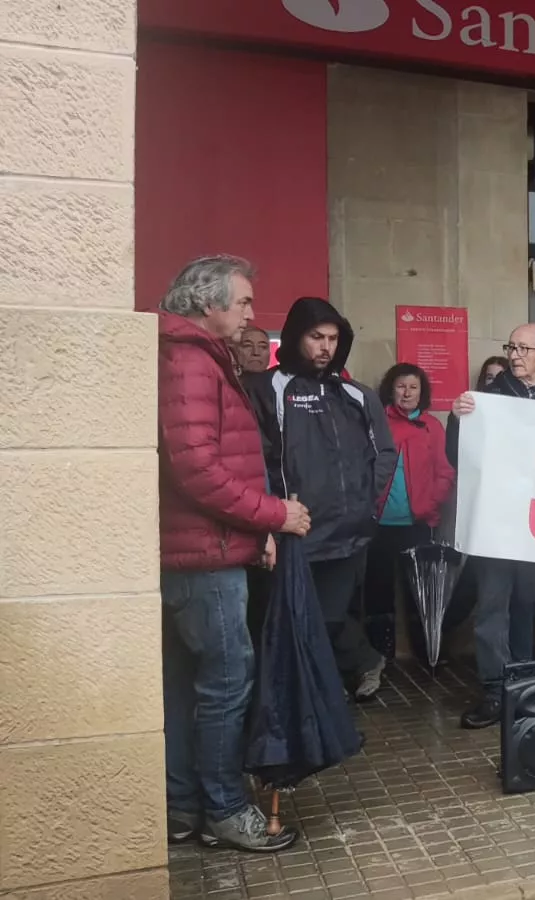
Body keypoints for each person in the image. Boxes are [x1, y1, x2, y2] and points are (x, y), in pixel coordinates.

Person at [157, 255, 311, 852]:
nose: (252, 313)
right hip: (205, 561)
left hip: (201, 550)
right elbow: (198, 469)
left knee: (185, 688)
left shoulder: (190, 356)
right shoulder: (191, 362)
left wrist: (255, 533)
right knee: (225, 684)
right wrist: (274, 514)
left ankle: (181, 807)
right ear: (207, 304)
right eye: (244, 301)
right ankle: (222, 808)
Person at [246, 296, 396, 701]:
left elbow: (385, 453)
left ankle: (342, 679)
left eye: (332, 338)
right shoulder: (264, 389)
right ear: (296, 337)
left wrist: (367, 506)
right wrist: (269, 522)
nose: (325, 347)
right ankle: (318, 696)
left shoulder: (357, 395)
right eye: (316, 337)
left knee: (328, 618)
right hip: (292, 533)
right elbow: (253, 462)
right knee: (291, 622)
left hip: (348, 536)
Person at [450, 324, 535, 728]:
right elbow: (460, 456)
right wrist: (458, 421)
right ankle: (494, 688)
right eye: (511, 346)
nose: (515, 354)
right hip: (498, 519)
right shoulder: (489, 398)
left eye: (524, 348)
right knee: (492, 605)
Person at [369, 364, 455, 660]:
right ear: (391, 389)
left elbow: (444, 471)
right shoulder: (378, 421)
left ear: (422, 392)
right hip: (379, 522)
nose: (406, 392)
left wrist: (433, 501)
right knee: (377, 591)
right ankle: (379, 654)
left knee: (419, 591)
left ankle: (426, 652)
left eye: (413, 387)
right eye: (400, 386)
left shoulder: (432, 425)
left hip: (418, 522)